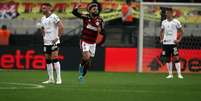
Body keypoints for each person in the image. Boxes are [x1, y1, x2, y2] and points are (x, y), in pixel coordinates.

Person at [72, 1, 104, 82]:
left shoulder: (100, 20)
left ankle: (81, 76)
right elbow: (75, 13)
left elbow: (102, 31)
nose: (96, 10)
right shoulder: (86, 17)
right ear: (90, 10)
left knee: (89, 62)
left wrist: (100, 30)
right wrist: (77, 6)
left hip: (93, 43)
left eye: (96, 9)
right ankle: (81, 65)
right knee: (87, 57)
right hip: (85, 40)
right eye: (94, 9)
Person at [39, 3, 64, 84]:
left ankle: (59, 79)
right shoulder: (42, 18)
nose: (43, 9)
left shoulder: (54, 17)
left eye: (44, 8)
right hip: (46, 42)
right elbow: (42, 28)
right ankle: (51, 79)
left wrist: (57, 38)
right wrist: (43, 35)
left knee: (55, 58)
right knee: (48, 60)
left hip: (54, 41)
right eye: (42, 8)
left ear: (49, 8)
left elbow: (61, 27)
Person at [160, 8, 184, 79]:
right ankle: (170, 74)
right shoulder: (163, 22)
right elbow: (161, 31)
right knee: (167, 59)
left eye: (167, 13)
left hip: (173, 43)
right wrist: (161, 39)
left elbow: (182, 31)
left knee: (176, 57)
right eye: (166, 13)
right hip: (165, 44)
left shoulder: (176, 22)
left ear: (171, 13)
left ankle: (179, 74)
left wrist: (179, 39)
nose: (166, 14)